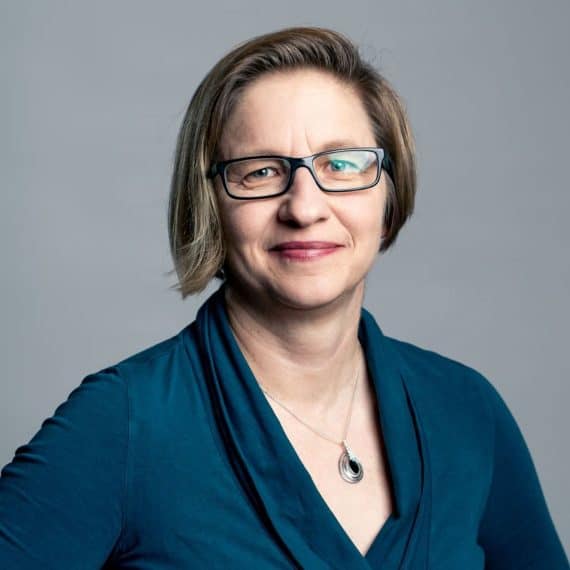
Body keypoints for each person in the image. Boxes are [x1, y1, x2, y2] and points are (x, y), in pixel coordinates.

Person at [0, 26, 567, 570]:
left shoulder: (466, 412)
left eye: (341, 164)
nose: (304, 207)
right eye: (261, 172)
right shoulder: (125, 423)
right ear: (210, 203)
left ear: (388, 194)